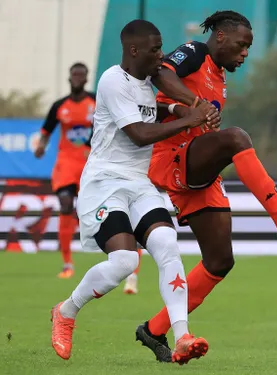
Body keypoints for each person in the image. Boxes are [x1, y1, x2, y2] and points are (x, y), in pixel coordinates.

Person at [133, 10, 277, 362]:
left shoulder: (218, 75)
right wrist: (194, 104)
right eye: (241, 44)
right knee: (236, 138)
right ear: (220, 36)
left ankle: (154, 330)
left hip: (197, 165)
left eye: (248, 47)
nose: (245, 52)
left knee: (220, 261)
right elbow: (159, 73)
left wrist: (201, 111)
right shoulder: (193, 51)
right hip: (170, 157)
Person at [50, 19, 219, 364]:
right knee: (125, 261)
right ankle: (65, 311)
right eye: (155, 49)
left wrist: (177, 108)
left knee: (167, 244)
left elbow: (150, 108)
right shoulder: (113, 79)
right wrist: (189, 118)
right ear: (134, 50)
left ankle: (182, 335)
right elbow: (139, 133)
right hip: (104, 183)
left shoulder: (146, 82)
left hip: (139, 183)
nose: (162, 55)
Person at [34, 63, 95, 278]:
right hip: (67, 163)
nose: (77, 78)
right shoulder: (59, 105)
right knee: (66, 203)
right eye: (74, 75)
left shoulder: (95, 102)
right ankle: (67, 263)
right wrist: (41, 145)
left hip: (90, 164)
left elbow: (107, 123)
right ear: (69, 78)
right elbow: (46, 130)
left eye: (81, 75)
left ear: (86, 79)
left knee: (96, 209)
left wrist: (89, 145)